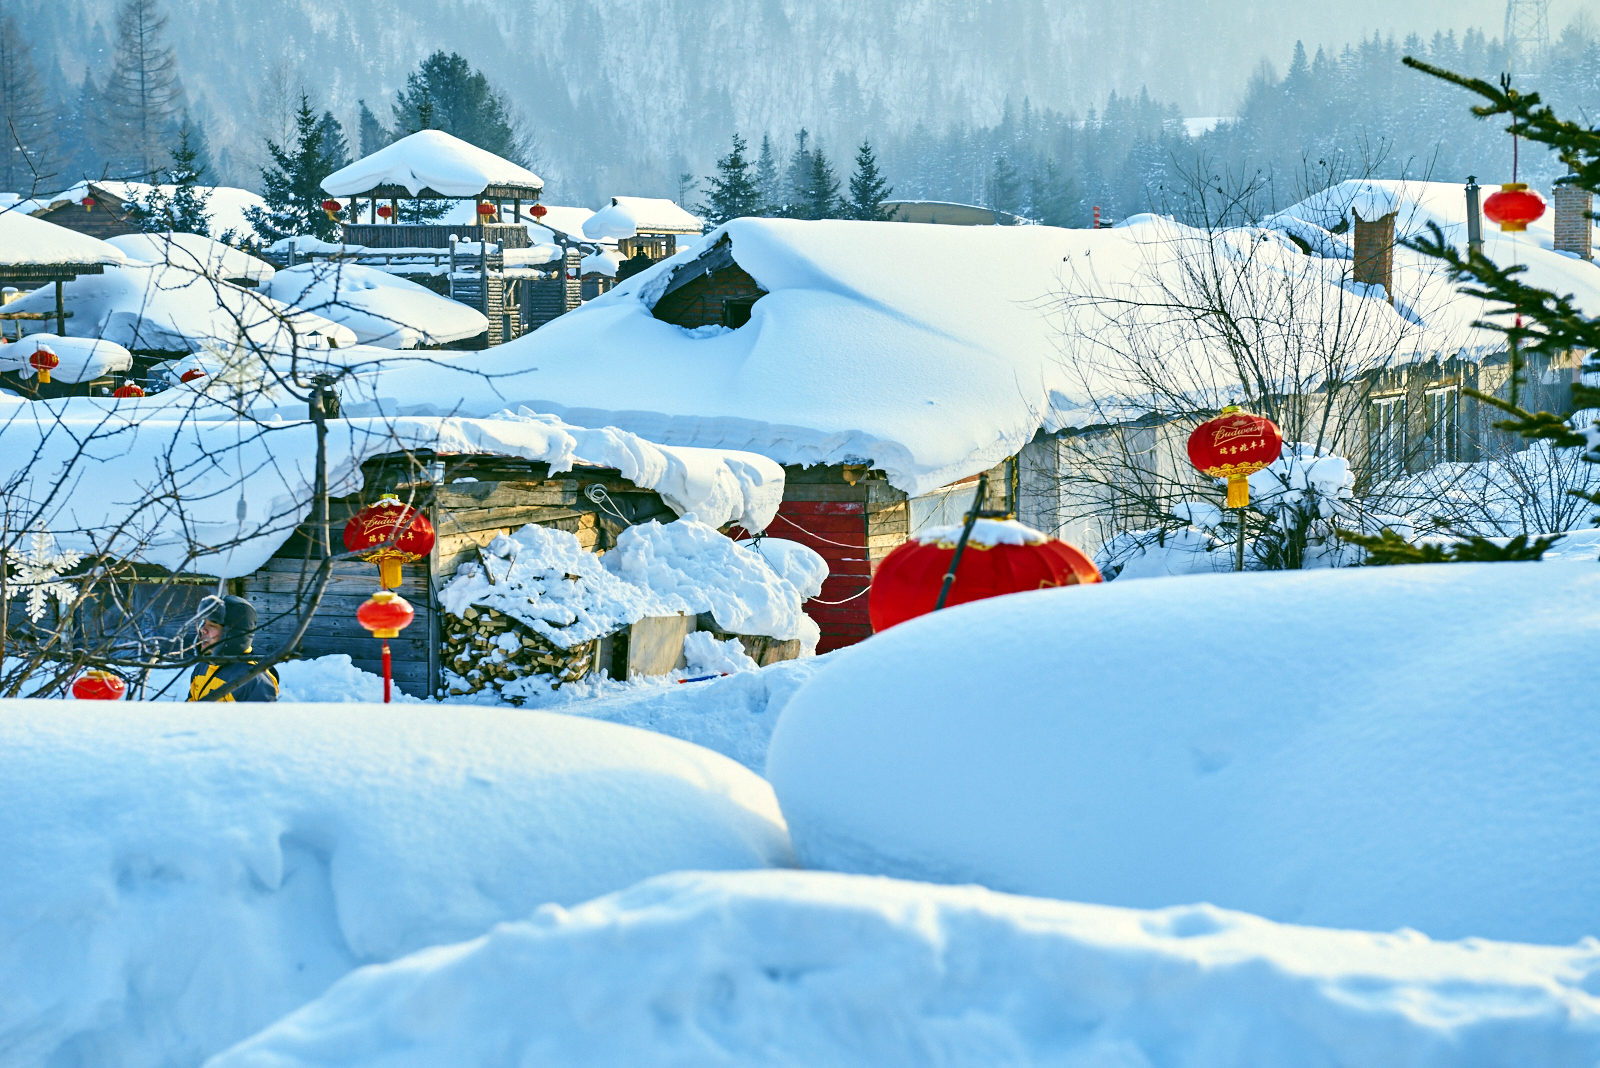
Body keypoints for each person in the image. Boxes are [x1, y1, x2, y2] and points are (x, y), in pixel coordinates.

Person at [188, 594, 279, 702]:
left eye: (212, 625)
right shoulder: (202, 667)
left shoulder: (252, 680)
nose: (203, 629)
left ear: (233, 634)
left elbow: (261, 719)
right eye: (204, 622)